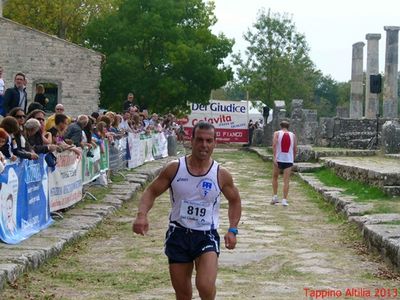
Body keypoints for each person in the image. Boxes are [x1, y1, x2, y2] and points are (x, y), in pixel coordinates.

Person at [132, 121, 242, 300]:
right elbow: (151, 191)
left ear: (215, 142)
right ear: (191, 140)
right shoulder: (175, 168)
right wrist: (141, 215)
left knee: (205, 286)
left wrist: (233, 229)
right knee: (183, 295)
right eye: (199, 140)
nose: (204, 145)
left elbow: (235, 200)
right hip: (179, 234)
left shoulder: (221, 174)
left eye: (208, 141)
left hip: (206, 235)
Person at [271, 120, 297, 206]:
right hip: (288, 159)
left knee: (275, 177)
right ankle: (284, 200)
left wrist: (274, 157)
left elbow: (274, 145)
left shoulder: (276, 133)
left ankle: (275, 196)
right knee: (286, 180)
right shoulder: (293, 135)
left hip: (279, 158)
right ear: (288, 126)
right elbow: (295, 148)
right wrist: (292, 158)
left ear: (280, 126)